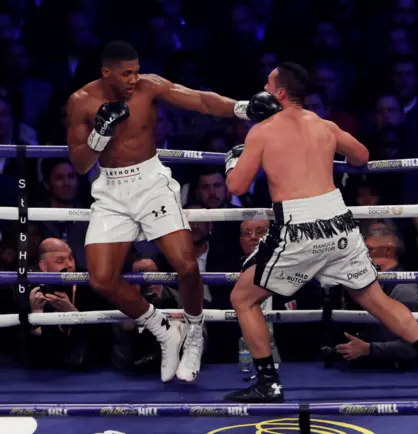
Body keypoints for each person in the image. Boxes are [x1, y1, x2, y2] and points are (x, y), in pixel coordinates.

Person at [223, 61, 418, 402]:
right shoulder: (325, 125)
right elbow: (362, 156)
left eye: (267, 81)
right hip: (339, 221)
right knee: (374, 297)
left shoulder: (262, 131)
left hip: (298, 225)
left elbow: (236, 184)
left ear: (278, 92)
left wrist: (234, 159)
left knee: (242, 298)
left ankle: (268, 382)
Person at [66, 41, 268, 383]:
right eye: (126, 73)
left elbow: (200, 99)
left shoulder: (149, 86)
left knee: (187, 266)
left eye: (136, 70)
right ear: (106, 72)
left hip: (150, 183)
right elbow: (81, 164)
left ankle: (192, 334)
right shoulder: (81, 102)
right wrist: (100, 134)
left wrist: (244, 109)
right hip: (111, 190)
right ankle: (162, 328)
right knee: (101, 280)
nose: (133, 78)